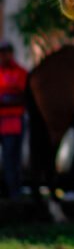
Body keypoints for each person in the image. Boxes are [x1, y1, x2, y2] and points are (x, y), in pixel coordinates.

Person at [0, 41, 28, 199]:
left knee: (11, 158)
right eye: (1, 53)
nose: (3, 56)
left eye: (6, 53)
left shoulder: (20, 72)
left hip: (13, 121)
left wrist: (6, 99)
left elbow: (23, 96)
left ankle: (14, 193)